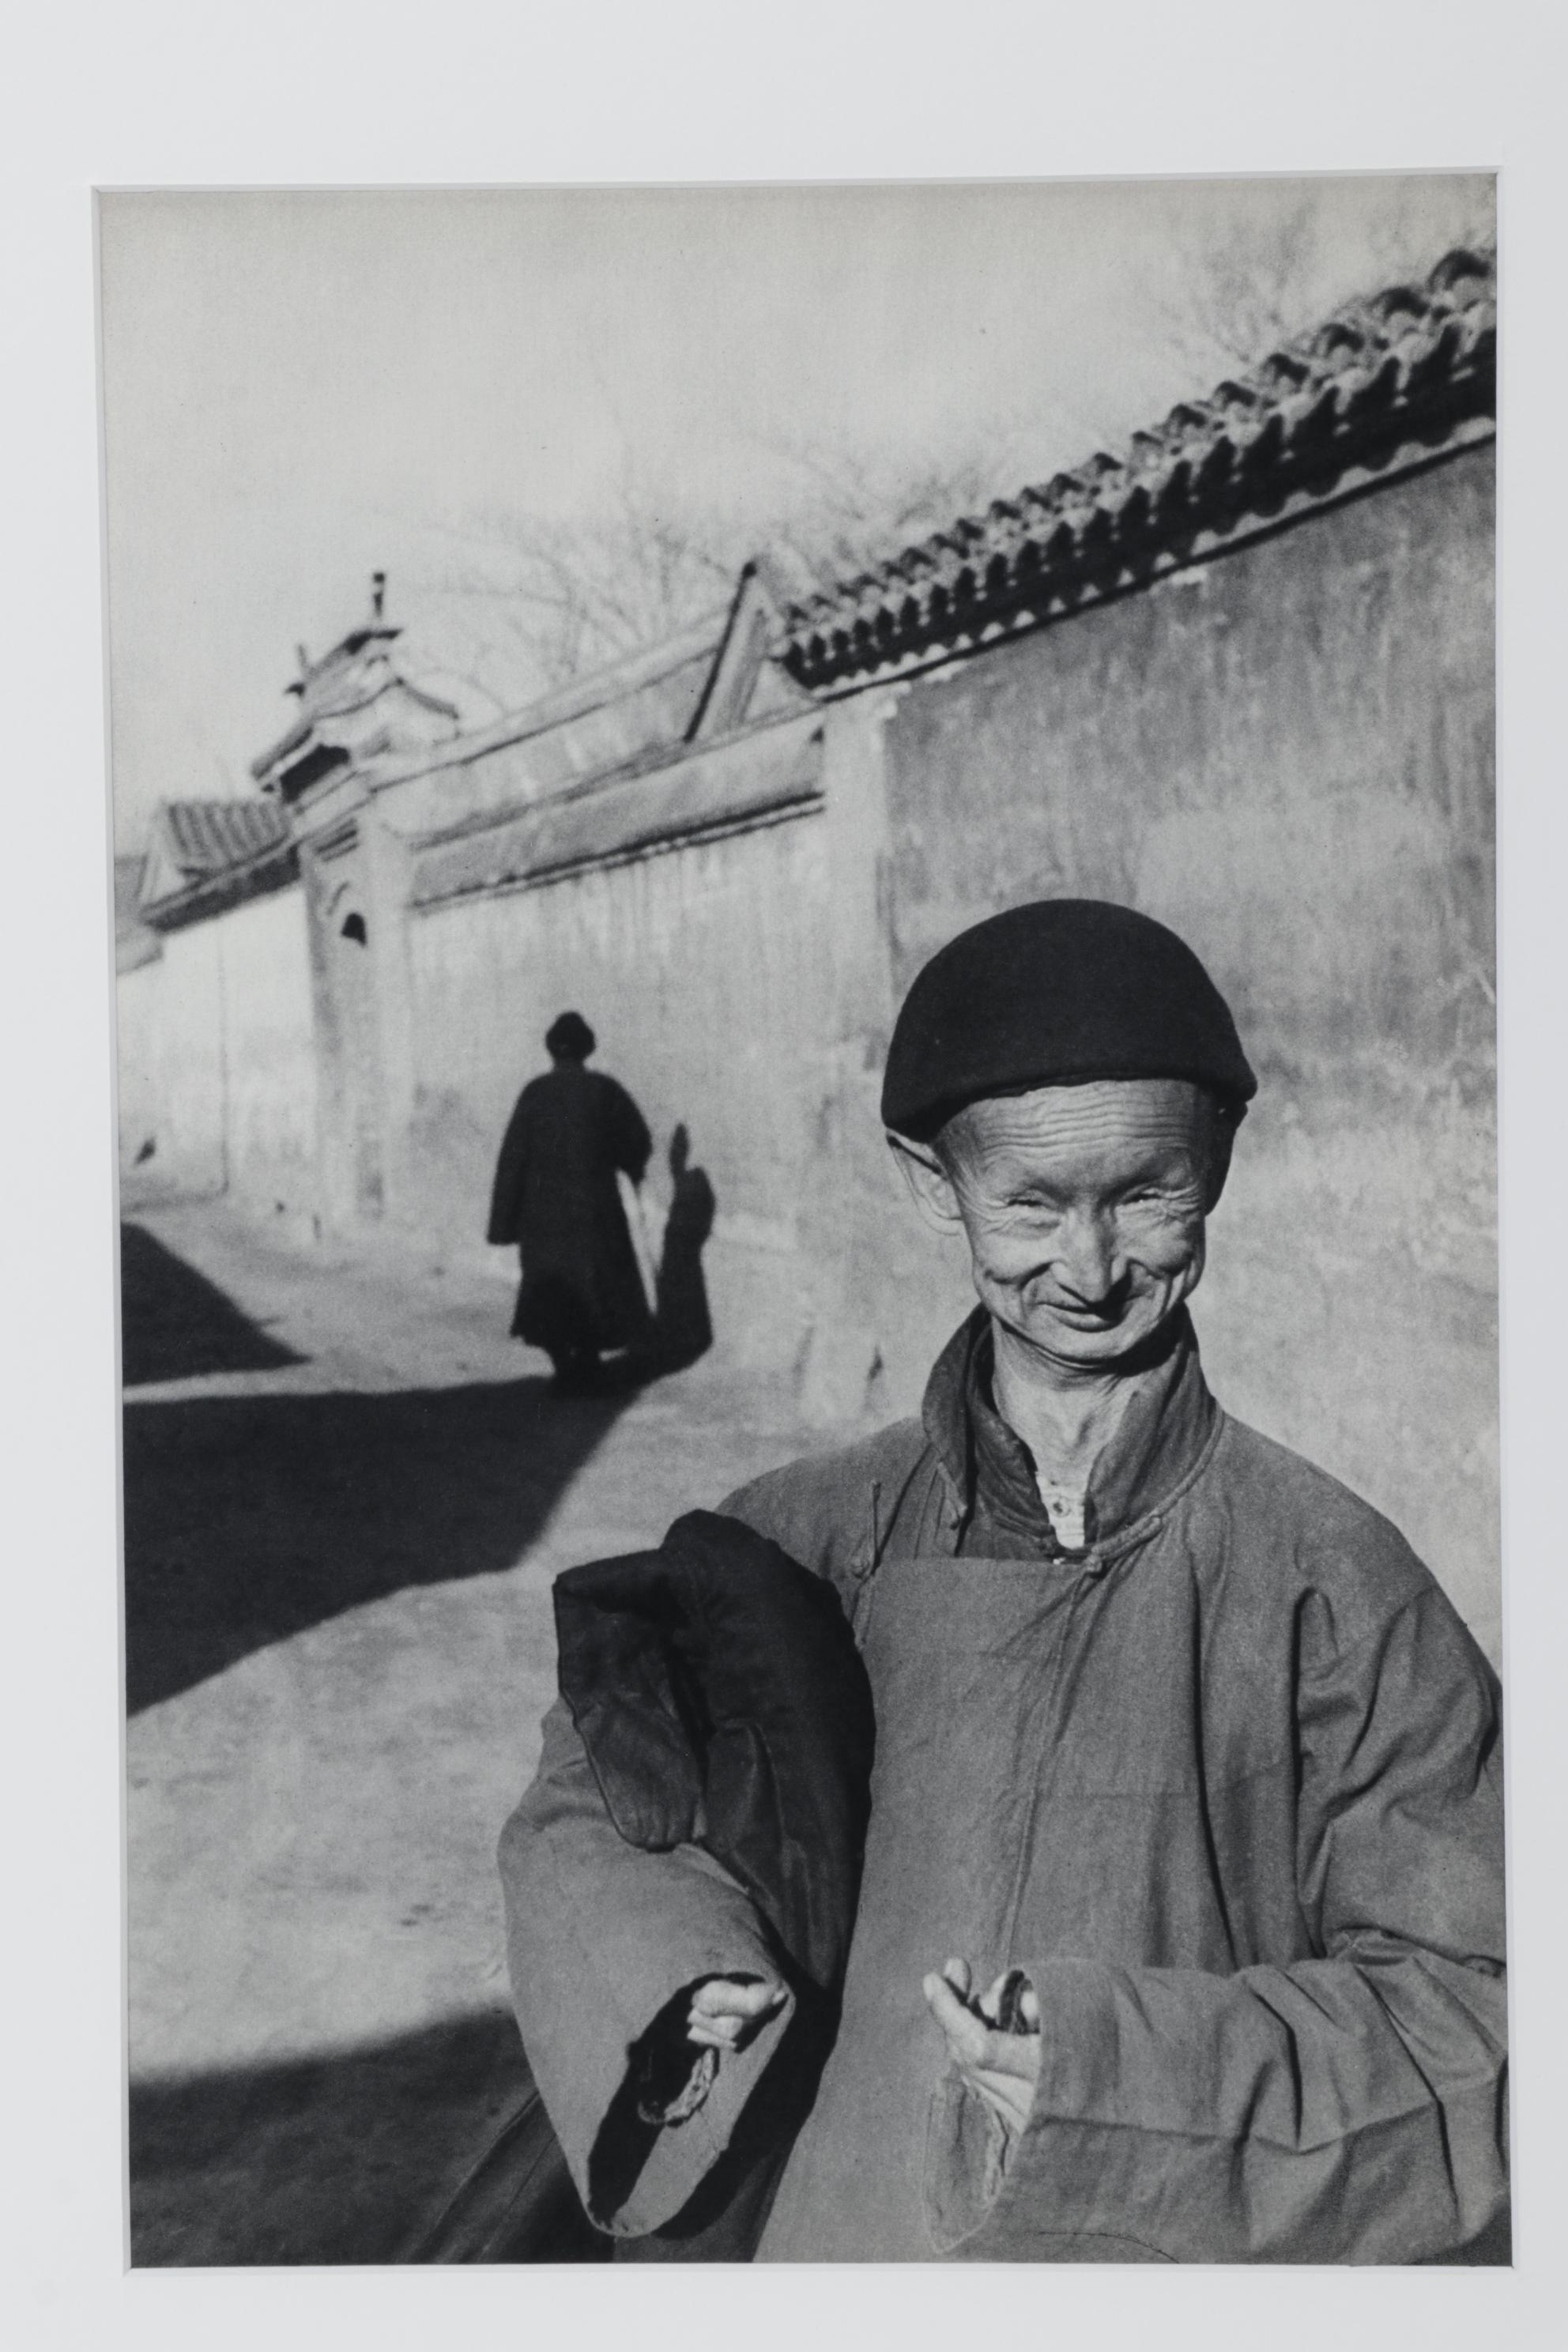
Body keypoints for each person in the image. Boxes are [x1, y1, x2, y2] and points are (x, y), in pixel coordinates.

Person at [499, 902, 1506, 2263]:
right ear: (932, 1183)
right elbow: (599, 1800)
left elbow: (1477, 2011)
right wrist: (684, 1969)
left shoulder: (1330, 1585)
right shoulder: (803, 1538)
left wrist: (1122, 2079)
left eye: (1145, 1191)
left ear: (1217, 1153)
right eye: (1028, 1202)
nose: (1088, 1272)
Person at [487, 1012, 653, 1391]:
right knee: (594, 1285)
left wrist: (504, 1223)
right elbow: (636, 1140)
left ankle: (565, 1367)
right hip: (593, 1212)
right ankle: (590, 1364)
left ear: (551, 1051)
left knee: (550, 1289)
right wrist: (630, 1166)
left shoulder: (534, 1094)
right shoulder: (604, 1090)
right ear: (587, 1049)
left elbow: (513, 1159)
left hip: (543, 1217)